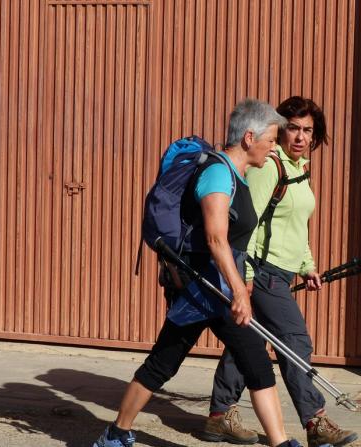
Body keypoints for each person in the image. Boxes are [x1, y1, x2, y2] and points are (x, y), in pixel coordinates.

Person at [93, 99, 304, 447]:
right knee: (163, 363)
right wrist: (239, 290)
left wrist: (239, 283)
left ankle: (280, 442)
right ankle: (116, 434)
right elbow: (215, 238)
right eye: (270, 140)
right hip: (202, 288)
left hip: (219, 287)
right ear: (249, 138)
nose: (273, 147)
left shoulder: (239, 176)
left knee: (255, 362)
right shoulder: (218, 174)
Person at [202, 96, 359, 447]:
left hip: (281, 271)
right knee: (295, 341)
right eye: (293, 128)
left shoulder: (299, 169)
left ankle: (219, 415)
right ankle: (315, 420)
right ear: (280, 129)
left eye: (308, 130)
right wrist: (244, 277)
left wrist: (307, 266)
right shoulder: (270, 166)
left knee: (248, 342)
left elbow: (297, 226)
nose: (301, 137)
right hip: (262, 270)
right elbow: (248, 223)